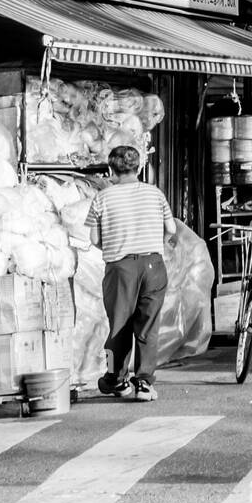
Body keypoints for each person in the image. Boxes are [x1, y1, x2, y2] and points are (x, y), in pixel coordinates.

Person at [86, 145, 176, 402]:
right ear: (139, 168)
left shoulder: (103, 198)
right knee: (148, 327)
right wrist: (156, 244)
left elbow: (93, 238)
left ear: (111, 170)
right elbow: (171, 229)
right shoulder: (155, 194)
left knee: (118, 327)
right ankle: (145, 383)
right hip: (153, 266)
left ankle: (115, 378)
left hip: (120, 268)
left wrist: (113, 246)